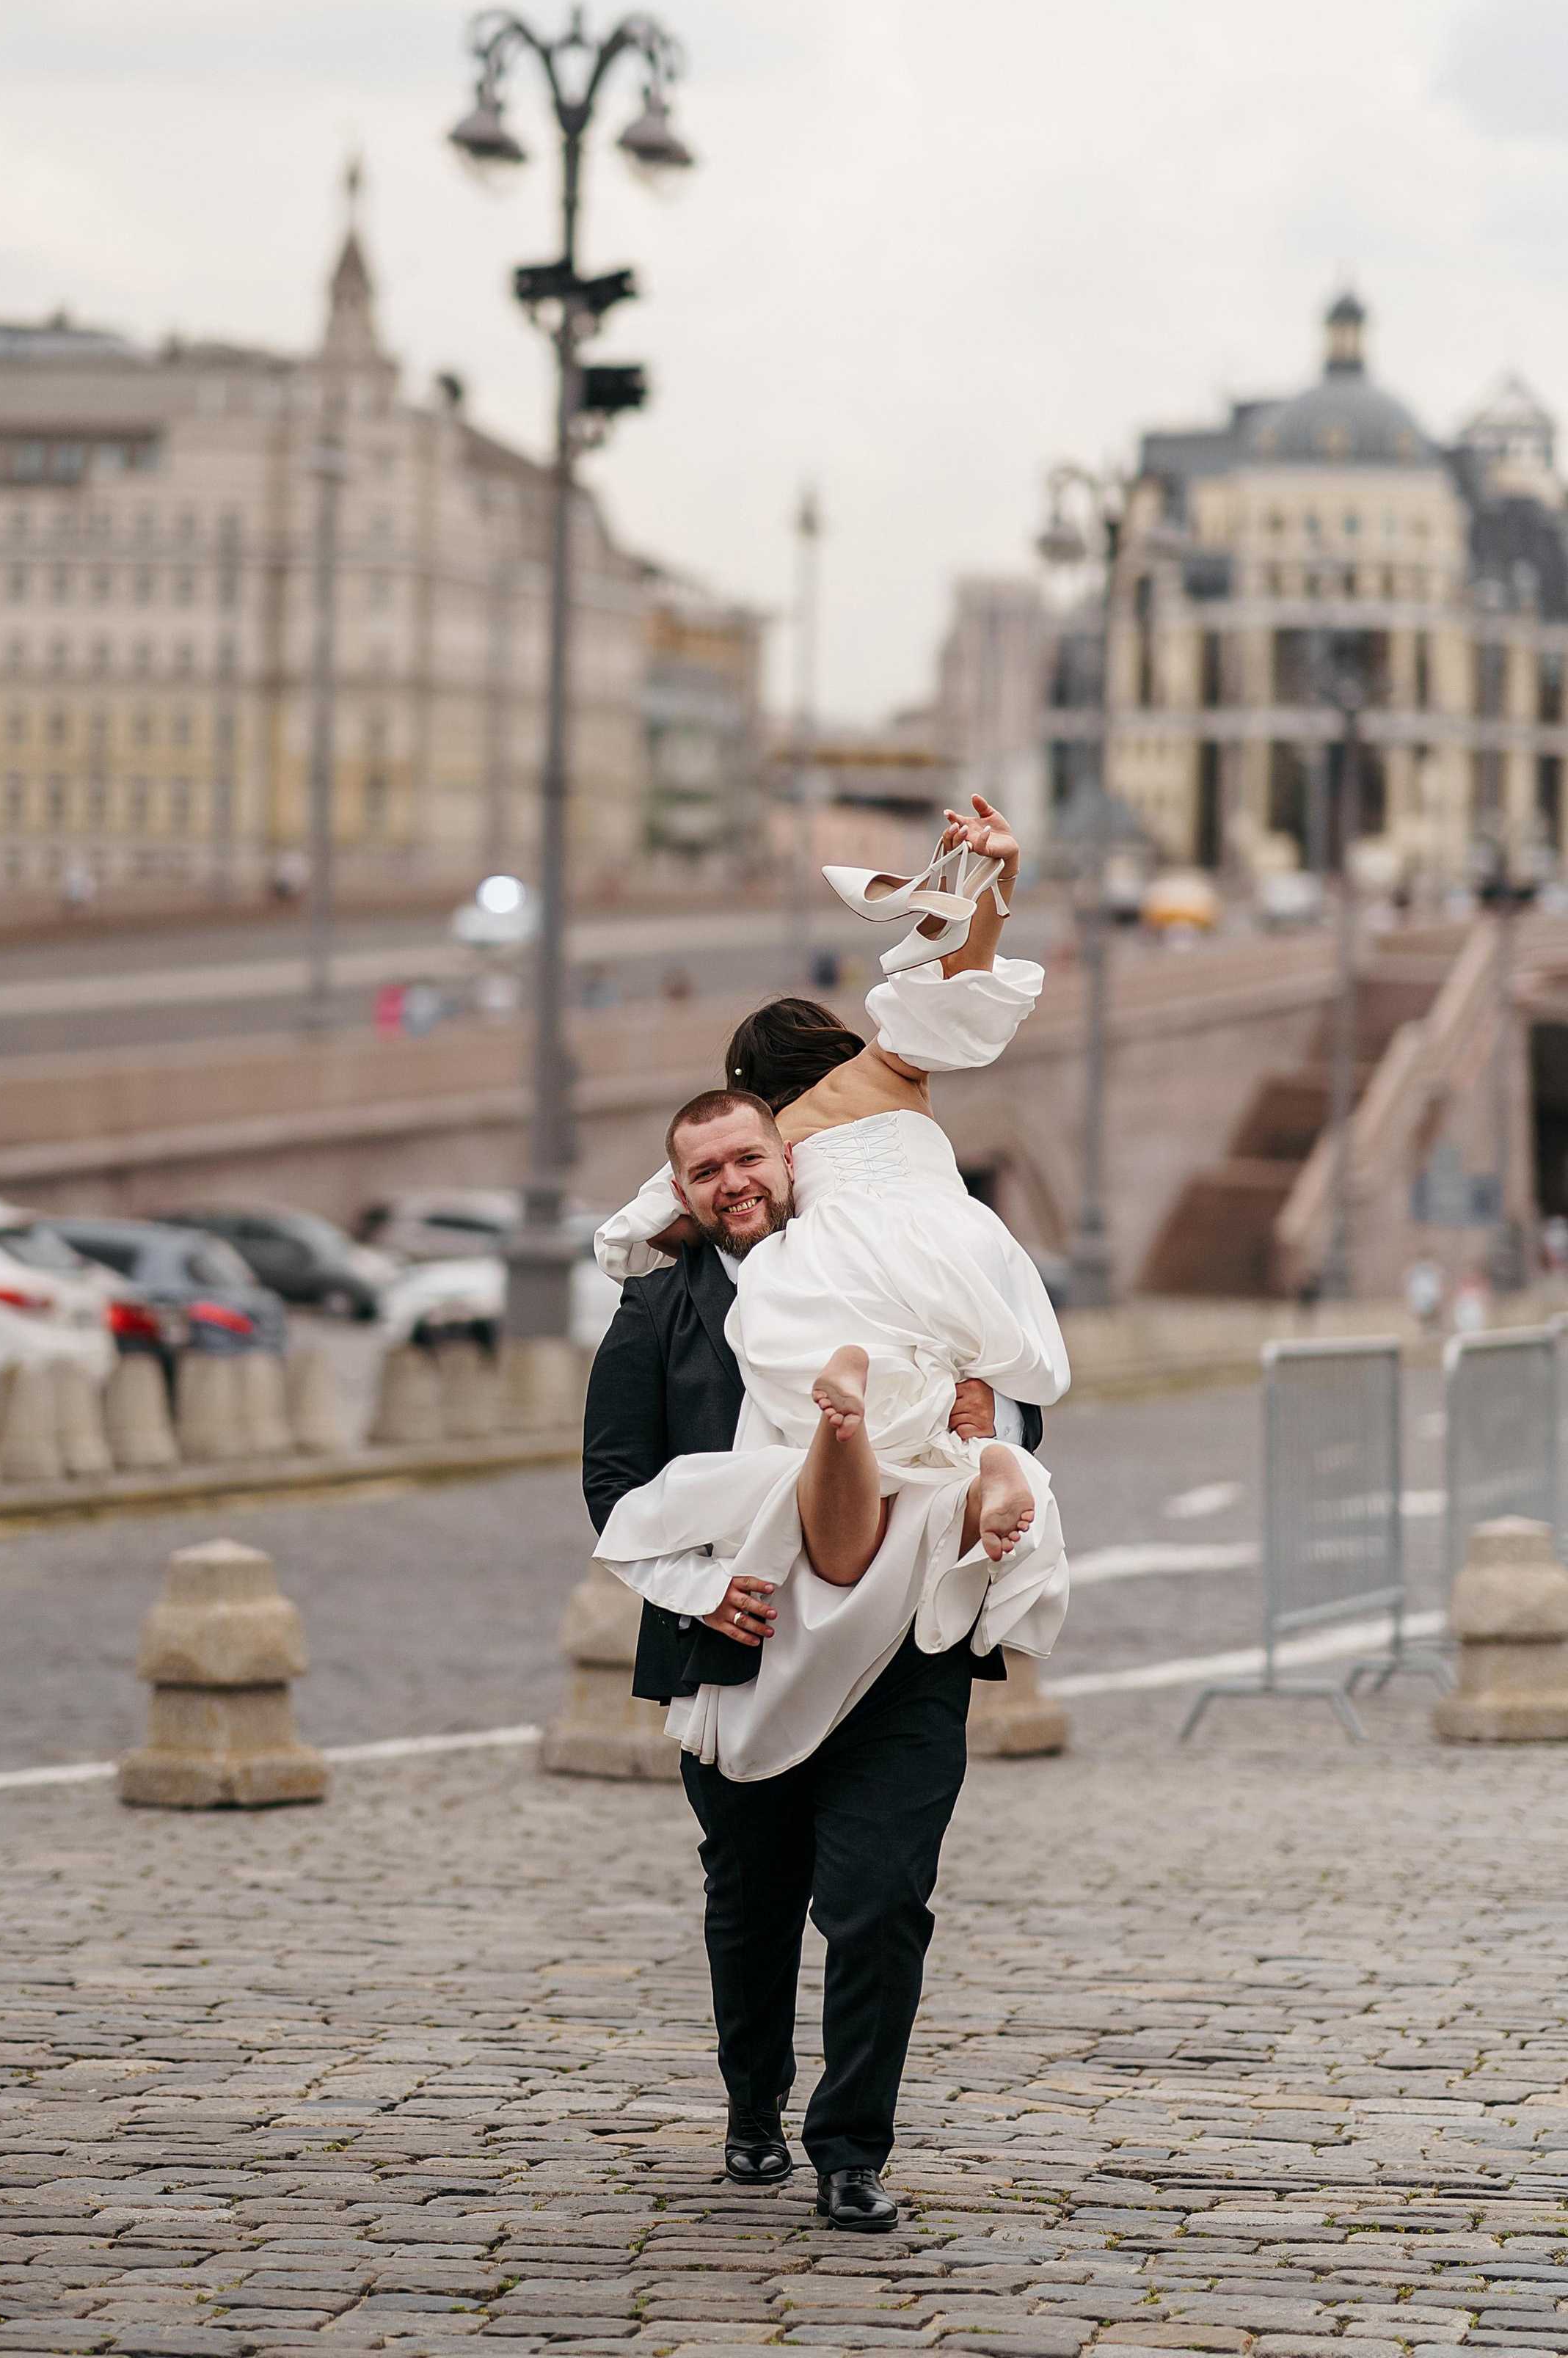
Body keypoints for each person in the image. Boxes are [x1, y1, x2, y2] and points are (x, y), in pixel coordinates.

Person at [580, 800, 1065, 2234]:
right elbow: (614, 1491)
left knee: (877, 1899)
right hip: (736, 1625)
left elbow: (1005, 1396)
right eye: (706, 1172)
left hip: (901, 1630)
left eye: (751, 1155)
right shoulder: (660, 1307)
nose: (737, 1179)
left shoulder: (885, 1281)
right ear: (688, 1187)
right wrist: (688, 1598)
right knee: (749, 1901)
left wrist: (998, 1434)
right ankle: (750, 2115)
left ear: (785, 1152)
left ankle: (849, 2147)